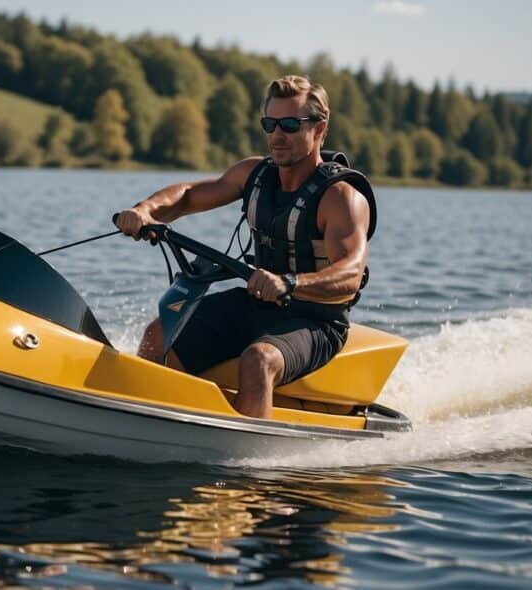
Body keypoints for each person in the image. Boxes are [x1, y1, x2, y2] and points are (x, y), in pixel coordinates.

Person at [115, 75, 377, 419]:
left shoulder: (341, 198)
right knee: (159, 333)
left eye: (289, 124)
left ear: (319, 129)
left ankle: (247, 465)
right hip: (256, 305)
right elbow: (188, 196)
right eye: (270, 124)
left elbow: (350, 275)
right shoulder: (253, 173)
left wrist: (290, 283)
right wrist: (144, 210)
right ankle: (150, 420)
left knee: (259, 360)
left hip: (317, 321)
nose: (277, 135)